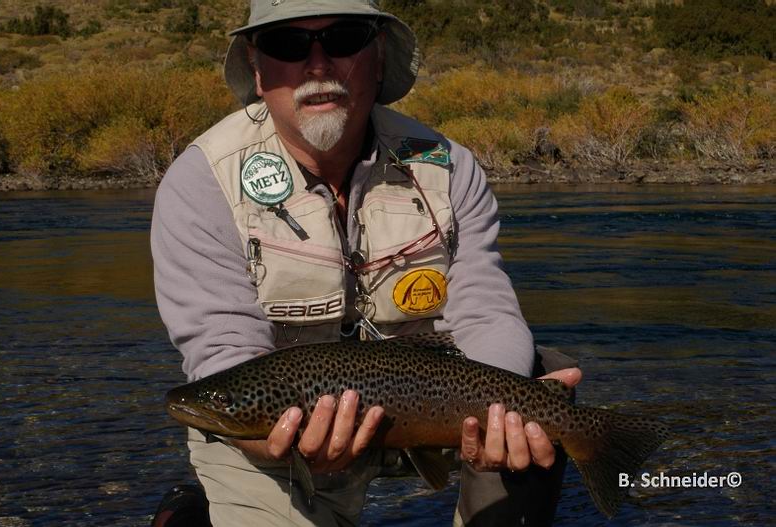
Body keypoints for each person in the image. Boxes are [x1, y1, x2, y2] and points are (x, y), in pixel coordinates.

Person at [150, 1, 582, 526]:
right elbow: (223, 351)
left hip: (433, 409)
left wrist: (499, 421)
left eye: (343, 38)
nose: (318, 65)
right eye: (287, 44)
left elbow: (486, 313)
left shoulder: (446, 166)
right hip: (277, 443)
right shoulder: (203, 182)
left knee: (538, 378)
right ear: (257, 69)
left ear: (378, 57)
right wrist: (275, 440)